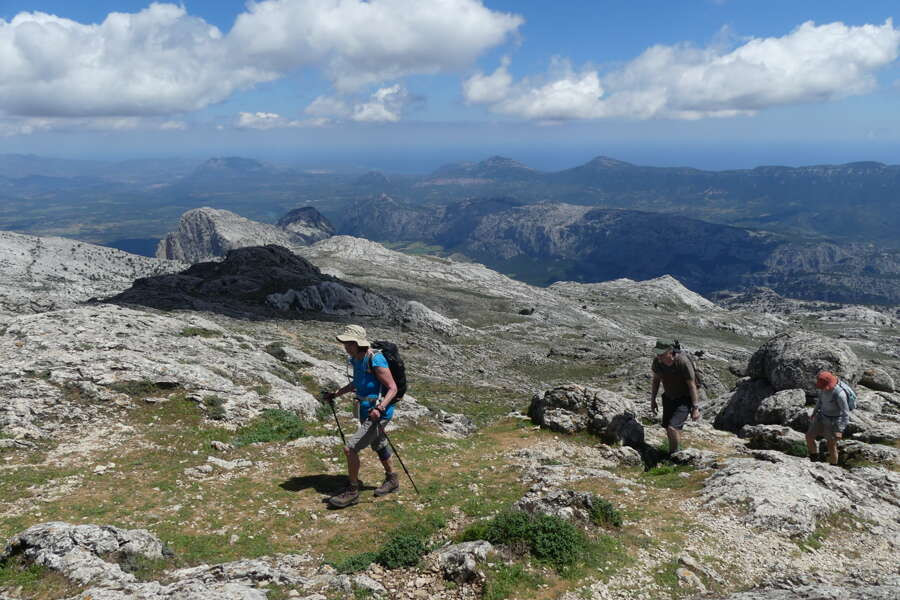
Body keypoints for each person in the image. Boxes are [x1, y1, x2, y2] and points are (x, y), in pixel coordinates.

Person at [322, 324, 399, 508]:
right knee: (379, 444)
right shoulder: (356, 359)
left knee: (350, 448)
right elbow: (356, 384)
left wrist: (380, 408)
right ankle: (392, 480)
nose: (346, 346)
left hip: (378, 413)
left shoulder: (376, 359)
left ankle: (353, 491)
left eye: (349, 343)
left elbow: (393, 388)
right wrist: (336, 394)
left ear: (358, 343)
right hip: (365, 410)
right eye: (345, 343)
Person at [649, 340, 701, 455]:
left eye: (662, 354)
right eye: (657, 353)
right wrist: (653, 400)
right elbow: (656, 381)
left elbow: (692, 385)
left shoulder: (682, 362)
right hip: (669, 397)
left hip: (684, 398)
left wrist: (695, 408)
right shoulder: (658, 362)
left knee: (673, 427)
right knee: (668, 428)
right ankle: (672, 452)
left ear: (670, 351)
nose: (659, 356)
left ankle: (675, 455)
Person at [805, 370, 849, 465]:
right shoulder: (823, 389)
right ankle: (814, 460)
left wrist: (840, 430)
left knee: (831, 445)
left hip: (834, 421)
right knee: (809, 437)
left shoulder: (840, 394)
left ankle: (833, 468)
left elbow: (845, 413)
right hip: (821, 416)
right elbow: (820, 401)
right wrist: (814, 412)